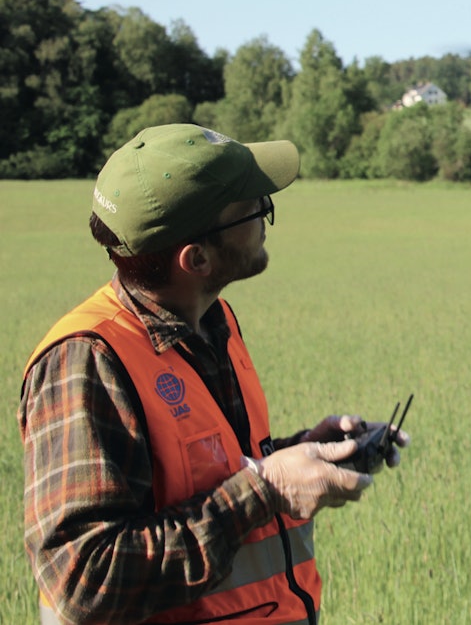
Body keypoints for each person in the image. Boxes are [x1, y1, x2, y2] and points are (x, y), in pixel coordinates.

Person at [19, 124, 407, 625]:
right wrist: (268, 489)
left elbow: (209, 471)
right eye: (254, 208)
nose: (267, 218)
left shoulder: (210, 323)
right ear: (196, 258)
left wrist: (299, 452)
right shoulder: (87, 362)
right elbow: (84, 581)